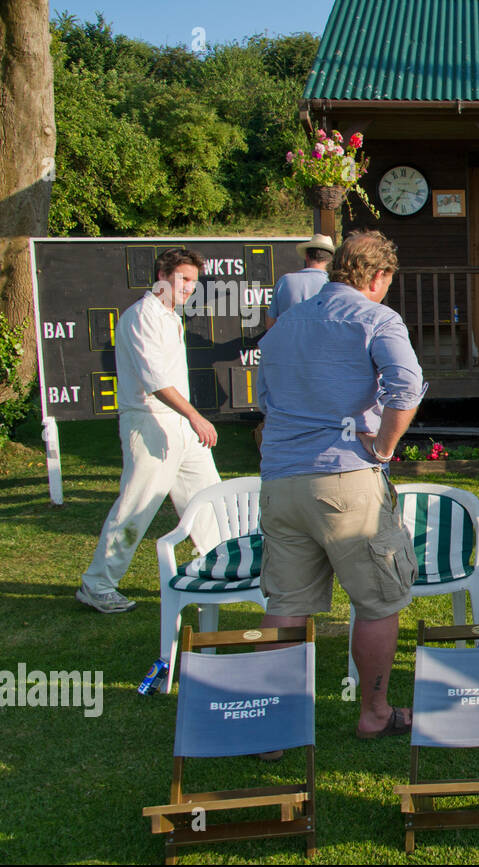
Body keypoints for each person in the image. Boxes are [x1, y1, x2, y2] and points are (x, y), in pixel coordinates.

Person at [255, 231, 426, 740]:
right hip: (346, 479)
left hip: (281, 480)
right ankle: (374, 712)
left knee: (285, 605)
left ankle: (271, 724)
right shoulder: (376, 318)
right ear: (378, 277)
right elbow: (408, 385)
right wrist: (386, 449)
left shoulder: (283, 326)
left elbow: (265, 399)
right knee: (379, 601)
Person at [77, 248, 222, 614]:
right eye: (184, 279)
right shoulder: (143, 315)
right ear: (162, 274)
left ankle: (219, 565)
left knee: (208, 497)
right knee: (137, 506)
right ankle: (98, 584)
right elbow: (155, 381)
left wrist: (189, 420)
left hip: (179, 425)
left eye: (194, 282)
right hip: (149, 422)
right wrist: (196, 416)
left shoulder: (169, 316)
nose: (190, 288)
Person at [265, 233, 334, 330]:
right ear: (330, 259)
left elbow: (270, 325)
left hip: (289, 343)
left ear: (306, 256)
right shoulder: (334, 285)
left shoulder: (285, 281)